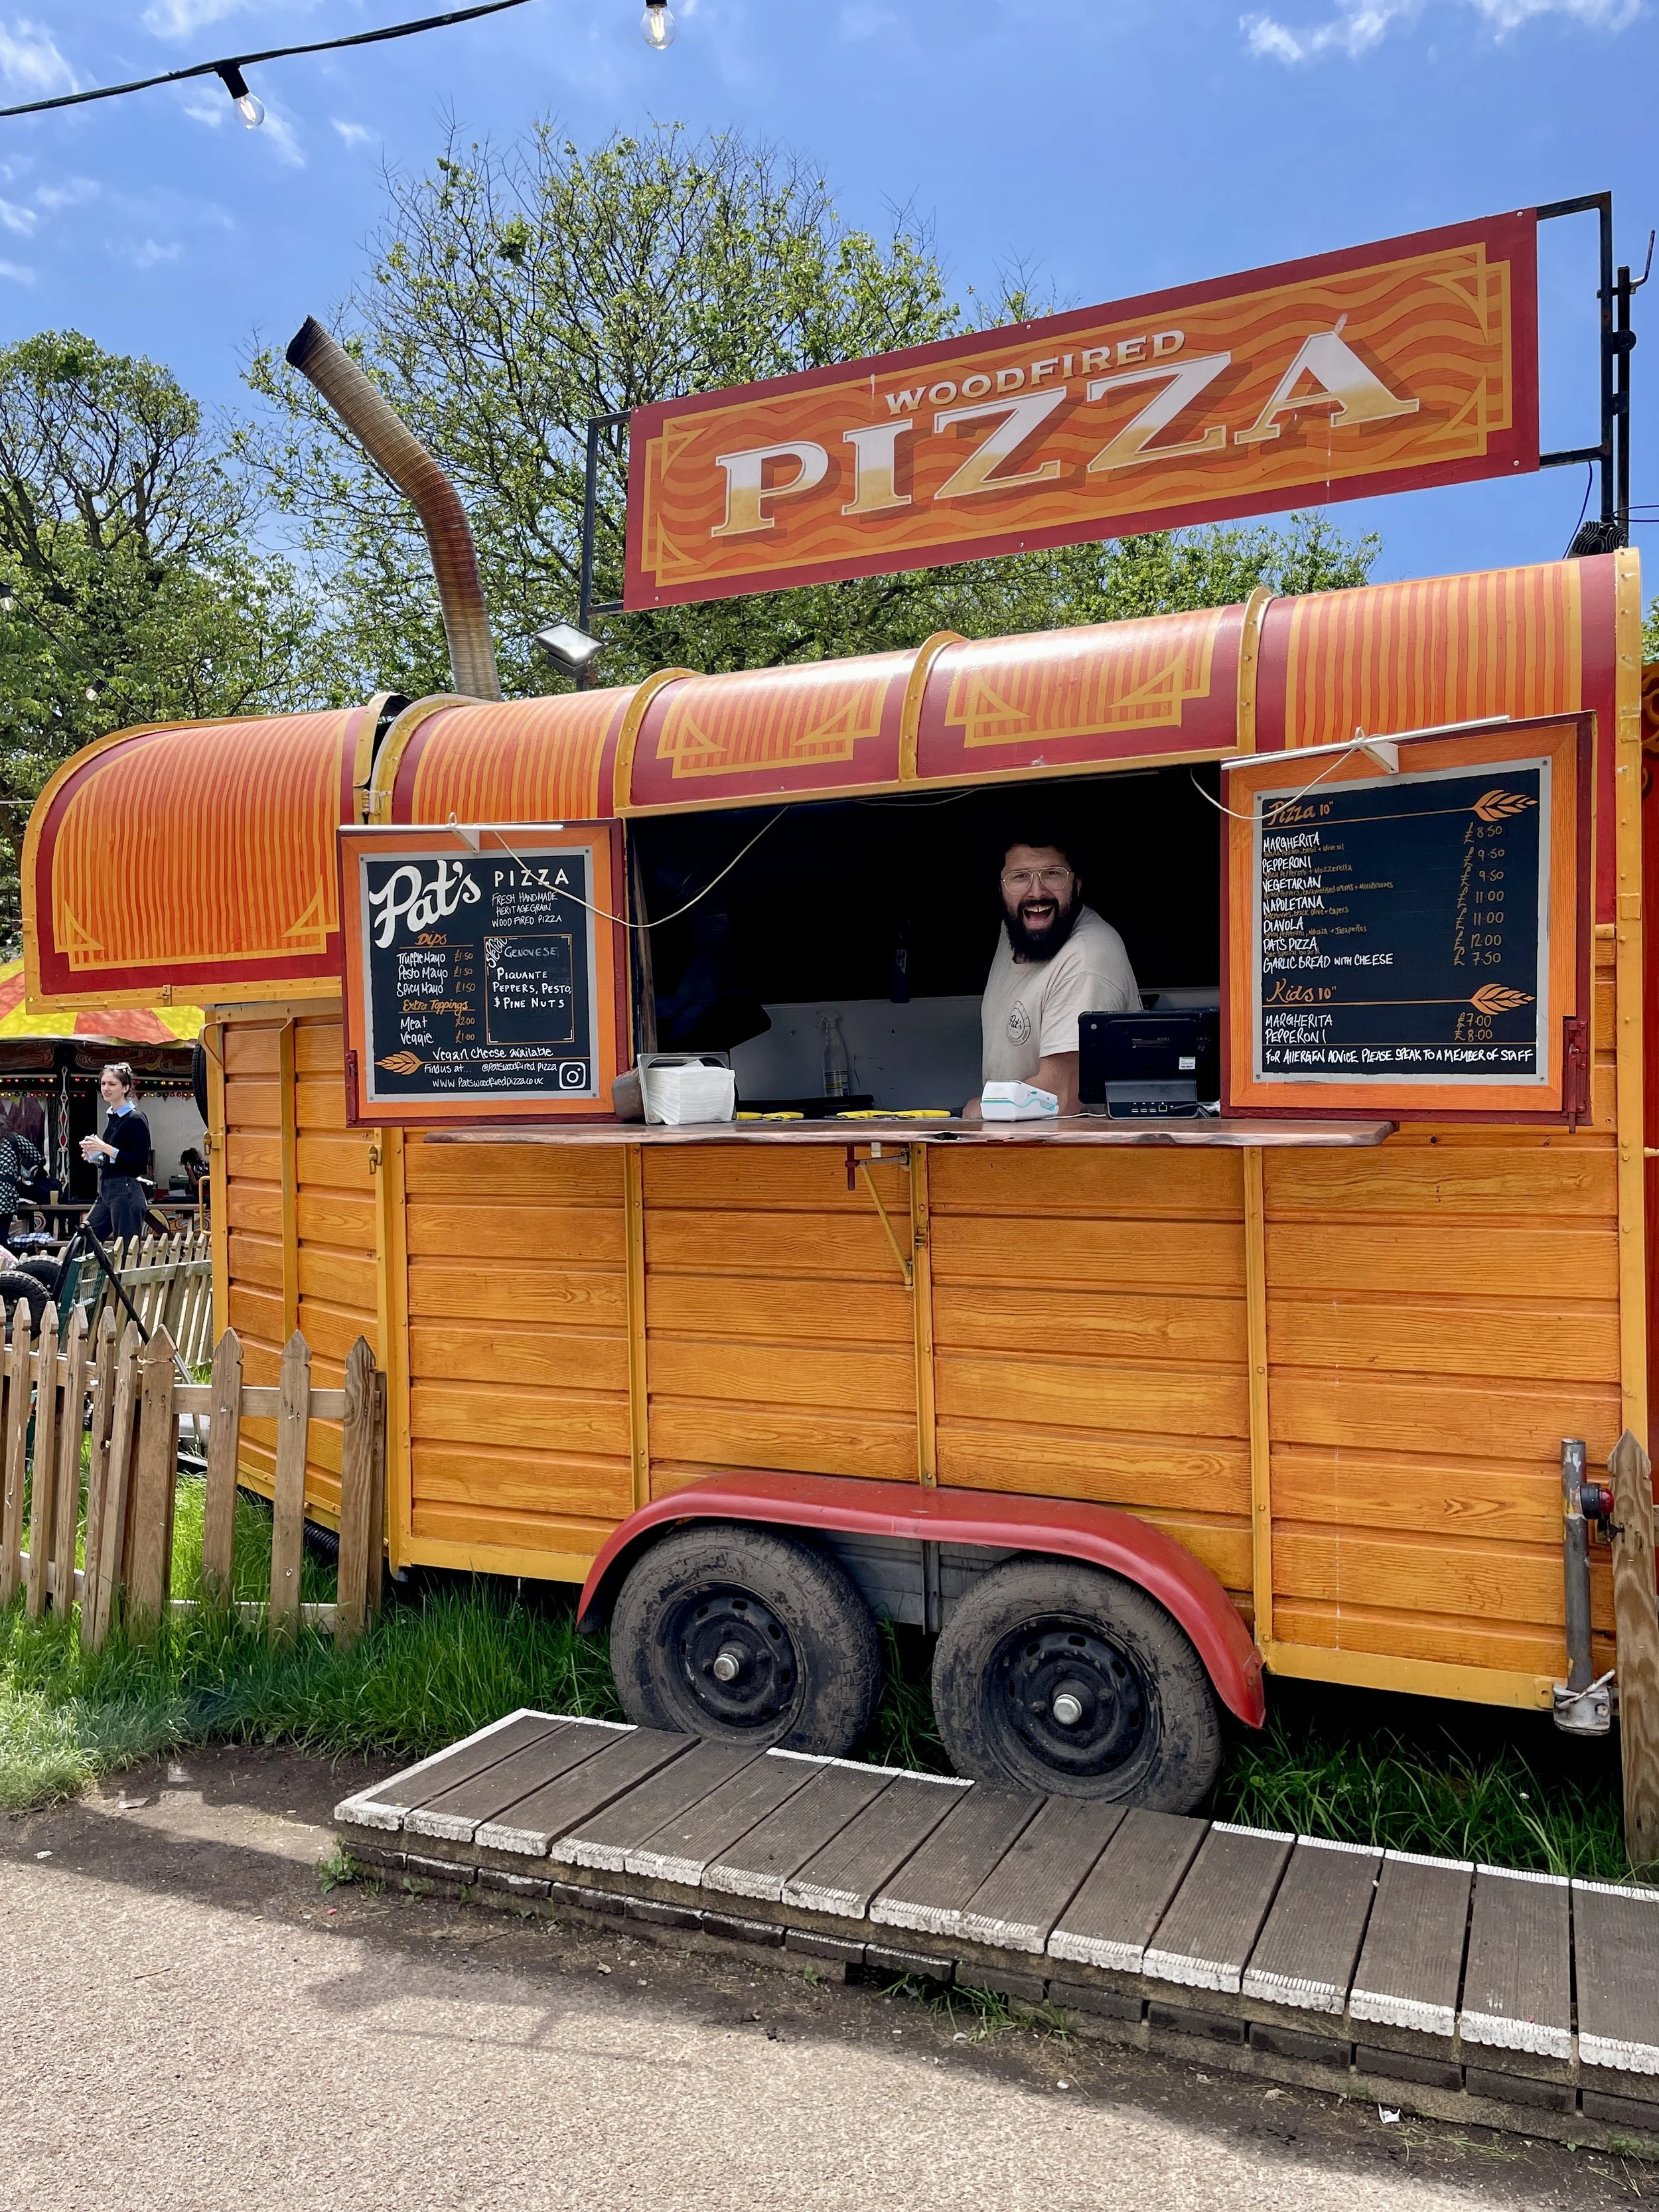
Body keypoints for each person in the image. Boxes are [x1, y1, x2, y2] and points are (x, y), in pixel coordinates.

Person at [968, 830, 1139, 1118]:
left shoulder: (1087, 957)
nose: (1036, 892)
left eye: (1052, 874)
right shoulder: (1018, 928)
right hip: (1014, 1144)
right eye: (1020, 877)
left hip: (1074, 1157)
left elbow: (1060, 1098)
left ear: (1077, 885)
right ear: (1001, 890)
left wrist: (976, 1112)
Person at [80, 1061, 151, 1244]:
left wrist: (104, 1148)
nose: (106, 1088)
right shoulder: (112, 1115)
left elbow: (139, 1163)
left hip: (126, 1190)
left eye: (112, 1084)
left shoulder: (135, 1119)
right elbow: (115, 1159)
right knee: (83, 1243)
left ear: (125, 1087)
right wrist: (96, 1158)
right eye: (103, 1083)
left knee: (126, 1249)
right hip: (106, 1190)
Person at [0, 1099, 44, 1234]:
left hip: (6, 1193)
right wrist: (25, 1173)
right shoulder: (14, 1139)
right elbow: (38, 1158)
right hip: (6, 1195)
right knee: (2, 1234)